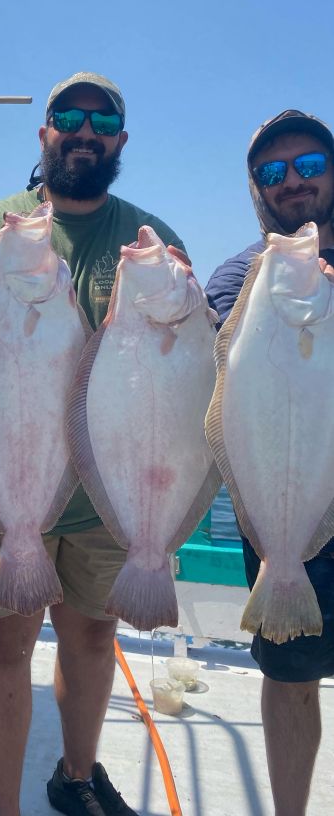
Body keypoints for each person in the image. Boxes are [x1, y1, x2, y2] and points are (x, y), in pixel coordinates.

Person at [0, 71, 186, 816]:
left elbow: (178, 366)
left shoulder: (150, 239)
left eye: (102, 119)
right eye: (68, 116)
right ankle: (5, 809)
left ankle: (75, 775)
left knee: (91, 636)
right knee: (3, 645)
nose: (85, 129)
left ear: (120, 140)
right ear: (44, 132)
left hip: (107, 494)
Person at [205, 108, 334, 816]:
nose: (292, 182)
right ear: (256, 188)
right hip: (285, 506)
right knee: (291, 679)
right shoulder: (237, 278)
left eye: (310, 165)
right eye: (272, 171)